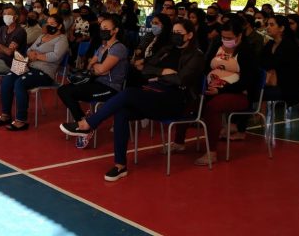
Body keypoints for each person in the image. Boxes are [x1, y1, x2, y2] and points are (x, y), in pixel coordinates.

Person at [60, 19, 205, 180]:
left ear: (190, 35)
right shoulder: (167, 49)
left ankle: (88, 124)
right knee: (122, 112)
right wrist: (163, 71)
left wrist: (159, 74)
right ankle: (120, 165)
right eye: (173, 33)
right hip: (155, 93)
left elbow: (181, 80)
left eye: (179, 33)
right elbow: (144, 68)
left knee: (128, 93)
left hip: (176, 101)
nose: (175, 36)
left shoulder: (196, 55)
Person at [188, 15, 260, 165]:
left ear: (239, 36)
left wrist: (221, 90)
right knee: (189, 100)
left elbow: (247, 81)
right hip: (212, 87)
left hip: (237, 94)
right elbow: (207, 66)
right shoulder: (217, 46)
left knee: (212, 107)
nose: (226, 40)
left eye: (230, 37)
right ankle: (179, 141)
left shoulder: (247, 52)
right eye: (223, 37)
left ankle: (211, 152)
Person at [58, 16, 127, 148]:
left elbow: (102, 69)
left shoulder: (119, 48)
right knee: (63, 90)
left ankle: (84, 127)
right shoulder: (102, 47)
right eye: (101, 28)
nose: (102, 30)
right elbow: (92, 66)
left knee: (70, 92)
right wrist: (98, 67)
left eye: (106, 28)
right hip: (97, 82)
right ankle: (84, 123)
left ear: (115, 30)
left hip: (110, 88)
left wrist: (99, 67)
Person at [0, 14, 69, 131]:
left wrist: (38, 56)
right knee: (7, 79)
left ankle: (21, 120)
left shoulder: (62, 39)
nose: (49, 26)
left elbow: (55, 56)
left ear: (60, 26)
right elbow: (29, 49)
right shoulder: (42, 36)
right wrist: (32, 54)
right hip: (28, 64)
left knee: (20, 83)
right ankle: (6, 114)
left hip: (44, 71)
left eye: (53, 24)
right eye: (48, 23)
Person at [261, 15, 299, 107]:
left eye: (272, 25)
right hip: (273, 81)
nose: (268, 27)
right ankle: (258, 116)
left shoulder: (289, 46)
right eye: (267, 24)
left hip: (288, 86)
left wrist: (269, 68)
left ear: (281, 28)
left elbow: (281, 66)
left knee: (255, 91)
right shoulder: (270, 44)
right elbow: (261, 62)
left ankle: (259, 116)